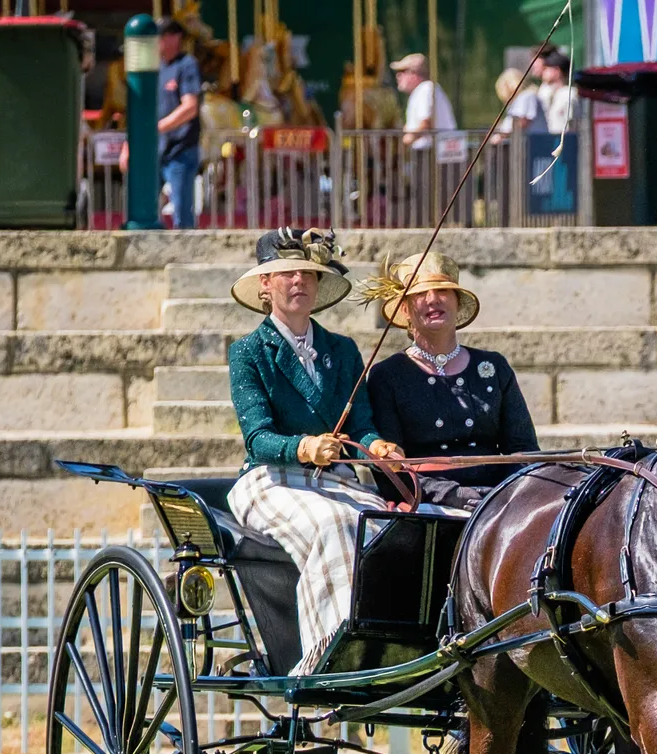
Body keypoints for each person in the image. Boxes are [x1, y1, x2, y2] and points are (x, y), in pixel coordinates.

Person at [224, 228, 406, 674]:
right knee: (333, 524)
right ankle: (328, 653)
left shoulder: (342, 350)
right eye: (286, 273)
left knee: (387, 525)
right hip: (269, 480)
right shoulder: (248, 352)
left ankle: (393, 648)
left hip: (334, 480)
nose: (298, 281)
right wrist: (304, 447)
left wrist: (377, 446)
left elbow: (361, 426)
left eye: (308, 273)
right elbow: (258, 438)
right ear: (265, 285)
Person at [364, 252, 537, 511]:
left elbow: (524, 450)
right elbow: (390, 469)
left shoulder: (492, 366)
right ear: (404, 309)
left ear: (457, 302)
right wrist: (451, 494)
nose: (433, 300)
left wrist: (510, 490)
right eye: (420, 294)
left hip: (499, 497)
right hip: (428, 501)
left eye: (443, 291)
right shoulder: (387, 375)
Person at [392, 52, 455, 222]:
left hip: (432, 154)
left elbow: (426, 122)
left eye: (403, 71)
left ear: (414, 74)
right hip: (428, 153)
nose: (398, 76)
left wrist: (405, 141)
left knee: (428, 198)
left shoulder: (426, 89)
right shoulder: (422, 91)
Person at [155, 17, 202, 230]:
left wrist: (158, 128)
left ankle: (187, 257)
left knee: (182, 213)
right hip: (158, 150)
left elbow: (190, 106)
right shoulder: (157, 69)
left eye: (161, 36)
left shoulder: (187, 64)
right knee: (145, 206)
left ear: (175, 38)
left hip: (181, 149)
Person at [494, 66, 546, 137]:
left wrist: (501, 135)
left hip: (535, 142)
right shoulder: (520, 99)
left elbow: (522, 122)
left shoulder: (527, 96)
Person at [534, 47, 575, 134]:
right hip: (551, 140)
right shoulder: (548, 92)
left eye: (546, 69)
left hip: (566, 142)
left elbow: (572, 124)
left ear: (557, 71)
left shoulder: (570, 94)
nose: (543, 72)